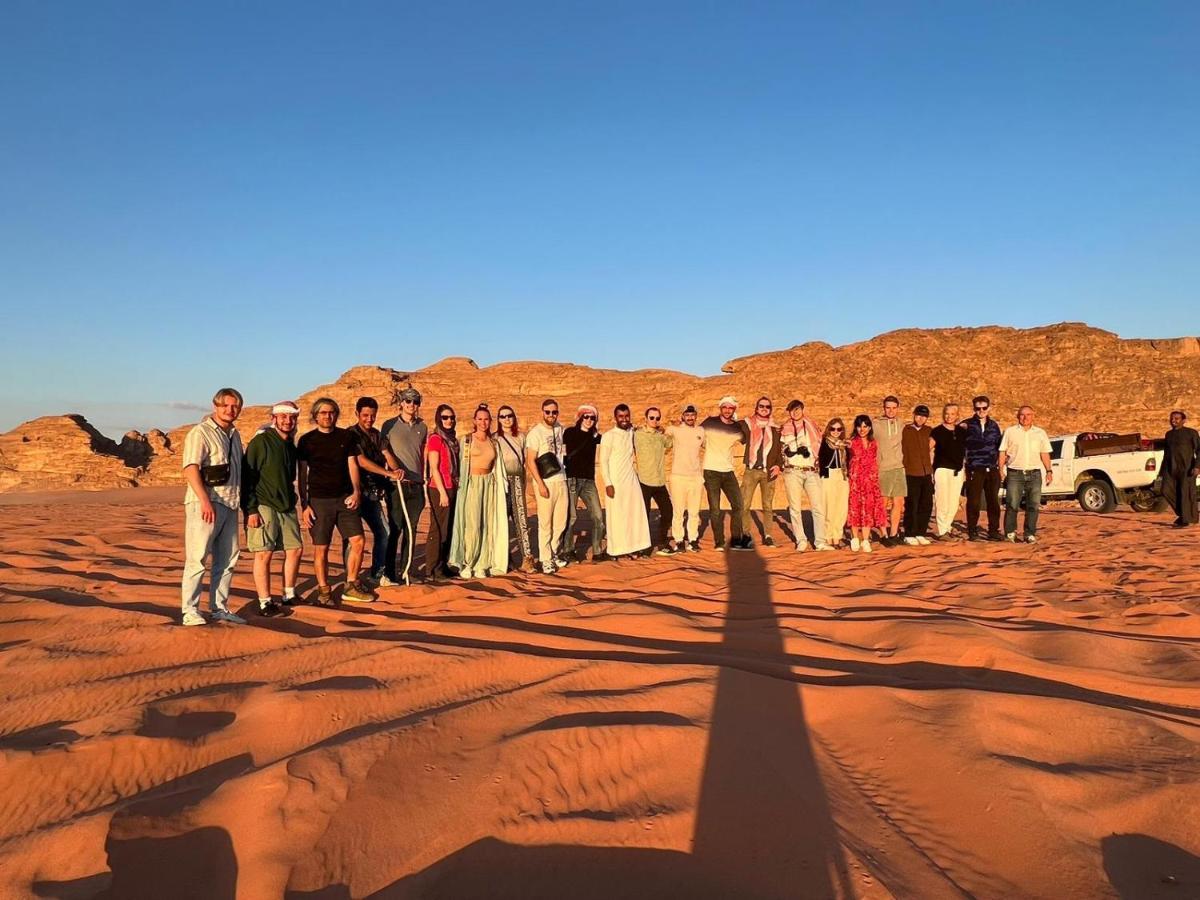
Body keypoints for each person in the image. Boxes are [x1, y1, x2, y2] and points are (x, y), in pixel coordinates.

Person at [298, 397, 375, 605]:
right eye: (323, 412)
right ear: (315, 416)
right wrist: (305, 506)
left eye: (331, 412)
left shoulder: (346, 436)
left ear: (336, 414)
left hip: (344, 498)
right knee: (321, 547)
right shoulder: (306, 440)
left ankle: (351, 584)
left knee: (358, 540)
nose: (327, 416)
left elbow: (353, 465)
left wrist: (357, 492)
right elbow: (302, 474)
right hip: (319, 501)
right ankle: (324, 591)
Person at [180, 388, 247, 626]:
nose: (230, 410)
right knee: (197, 558)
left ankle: (219, 607)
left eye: (235, 406)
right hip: (206, 504)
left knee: (228, 558)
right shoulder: (200, 433)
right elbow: (191, 468)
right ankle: (190, 610)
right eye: (226, 406)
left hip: (231, 502)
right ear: (215, 406)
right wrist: (204, 500)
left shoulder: (235, 435)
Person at [241, 400, 303, 617]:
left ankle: (288, 593)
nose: (288, 421)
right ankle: (265, 602)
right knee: (263, 553)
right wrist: (250, 510)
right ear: (274, 419)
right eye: (283, 416)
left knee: (295, 549)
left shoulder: (289, 445)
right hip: (263, 504)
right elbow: (247, 476)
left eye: (292, 417)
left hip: (286, 505)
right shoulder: (262, 442)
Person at [449, 406, 510, 578]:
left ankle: (482, 563)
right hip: (472, 485)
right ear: (474, 421)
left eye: (486, 419)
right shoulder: (467, 440)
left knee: (487, 524)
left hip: (489, 485)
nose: (483, 422)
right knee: (472, 524)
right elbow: (459, 464)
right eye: (480, 419)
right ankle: (468, 562)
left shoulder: (494, 443)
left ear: (490, 421)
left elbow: (498, 467)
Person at [350, 397, 404, 586]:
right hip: (354, 493)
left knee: (384, 532)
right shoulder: (351, 435)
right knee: (352, 537)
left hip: (373, 494)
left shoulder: (377, 435)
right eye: (365, 415)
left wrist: (396, 470)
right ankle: (351, 578)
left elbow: (387, 454)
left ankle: (377, 573)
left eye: (372, 416)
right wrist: (387, 472)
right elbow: (361, 461)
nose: (369, 419)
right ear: (357, 414)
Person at [381, 387, 427, 585]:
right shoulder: (389, 425)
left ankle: (407, 571)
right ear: (401, 403)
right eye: (408, 401)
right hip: (396, 484)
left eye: (415, 402)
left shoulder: (422, 427)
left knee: (412, 528)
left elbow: (422, 453)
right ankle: (388, 573)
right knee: (396, 528)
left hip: (416, 485)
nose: (411, 405)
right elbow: (383, 450)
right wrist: (395, 469)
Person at [600, 404, 652, 558]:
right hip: (615, 482)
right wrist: (608, 483)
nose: (624, 419)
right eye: (621, 416)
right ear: (615, 418)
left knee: (635, 513)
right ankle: (616, 549)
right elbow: (603, 461)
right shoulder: (609, 436)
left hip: (631, 480)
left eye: (626, 416)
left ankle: (635, 546)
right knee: (617, 515)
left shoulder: (631, 432)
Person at [526, 398, 570, 574]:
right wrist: (540, 484)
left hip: (561, 480)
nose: (551, 415)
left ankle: (552, 552)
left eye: (554, 412)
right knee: (545, 523)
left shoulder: (560, 429)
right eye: (548, 412)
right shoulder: (535, 433)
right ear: (542, 412)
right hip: (545, 482)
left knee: (561, 522)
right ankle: (545, 559)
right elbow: (530, 461)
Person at [701, 397, 752, 551]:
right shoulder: (709, 422)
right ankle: (719, 542)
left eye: (731, 408)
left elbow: (748, 438)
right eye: (725, 407)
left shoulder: (736, 428)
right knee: (715, 509)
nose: (728, 410)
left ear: (734, 410)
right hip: (711, 471)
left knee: (738, 505)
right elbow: (696, 435)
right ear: (720, 408)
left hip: (728, 471)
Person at [780, 399, 829, 551]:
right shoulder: (785, 428)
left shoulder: (812, 426)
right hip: (792, 470)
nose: (795, 412)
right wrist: (791, 451)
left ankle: (820, 541)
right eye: (792, 410)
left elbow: (820, 443)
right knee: (795, 507)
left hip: (811, 470)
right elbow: (782, 449)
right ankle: (801, 539)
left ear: (802, 409)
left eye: (797, 409)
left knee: (818, 507)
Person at [1000, 405, 1054, 543]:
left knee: (1033, 505)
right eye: (1022, 415)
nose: (1025, 418)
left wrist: (1049, 470)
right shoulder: (1010, 432)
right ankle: (1010, 532)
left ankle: (1029, 533)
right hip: (1015, 473)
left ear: (1033, 416)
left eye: (1028, 415)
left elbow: (1044, 453)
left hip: (1034, 473)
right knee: (1012, 504)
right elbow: (1002, 451)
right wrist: (1000, 470)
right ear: (1018, 416)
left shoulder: (1040, 433)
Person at [494, 405, 537, 572]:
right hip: (501, 483)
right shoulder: (494, 438)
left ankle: (527, 558)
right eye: (502, 416)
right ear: (498, 419)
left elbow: (526, 460)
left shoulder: (520, 437)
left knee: (521, 521)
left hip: (518, 481)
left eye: (509, 415)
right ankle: (504, 558)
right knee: (501, 522)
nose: (506, 419)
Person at [563, 405, 606, 562]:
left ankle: (597, 551)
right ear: (580, 417)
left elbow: (611, 442)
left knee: (598, 517)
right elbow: (562, 452)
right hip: (572, 479)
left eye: (592, 418)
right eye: (586, 417)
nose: (589, 420)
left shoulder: (595, 437)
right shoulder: (569, 433)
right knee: (571, 517)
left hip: (589, 481)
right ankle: (568, 550)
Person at [739, 397, 783, 546]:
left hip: (768, 471)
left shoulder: (776, 430)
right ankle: (745, 533)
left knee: (768, 506)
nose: (764, 408)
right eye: (761, 406)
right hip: (751, 470)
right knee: (744, 504)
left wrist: (779, 466)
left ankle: (768, 535)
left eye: (767, 407)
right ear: (756, 408)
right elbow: (731, 426)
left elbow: (779, 451)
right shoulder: (748, 425)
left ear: (770, 409)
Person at [425, 403, 461, 581]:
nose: (449, 420)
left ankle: (444, 565)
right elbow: (434, 468)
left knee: (449, 528)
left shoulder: (452, 439)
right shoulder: (436, 439)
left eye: (452, 417)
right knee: (438, 529)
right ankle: (432, 569)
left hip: (452, 486)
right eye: (445, 417)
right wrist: (442, 493)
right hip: (439, 488)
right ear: (439, 419)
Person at [634, 407, 676, 554]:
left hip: (659, 481)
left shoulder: (661, 436)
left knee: (668, 512)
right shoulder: (637, 434)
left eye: (657, 418)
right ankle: (643, 546)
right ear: (646, 418)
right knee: (643, 515)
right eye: (652, 418)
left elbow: (671, 443)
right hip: (644, 481)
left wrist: (669, 430)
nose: (655, 421)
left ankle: (662, 542)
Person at [963, 395, 1004, 541]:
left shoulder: (994, 426)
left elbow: (1001, 447)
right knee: (973, 501)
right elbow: (959, 446)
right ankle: (972, 530)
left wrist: (1001, 468)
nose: (981, 411)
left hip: (992, 468)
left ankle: (993, 530)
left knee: (993, 501)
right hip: (974, 468)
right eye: (977, 408)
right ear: (974, 408)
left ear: (989, 408)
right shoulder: (966, 425)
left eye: (984, 408)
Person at [667, 404, 705, 552]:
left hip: (695, 477)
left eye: (692, 414)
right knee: (678, 511)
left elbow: (710, 445)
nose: (690, 417)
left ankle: (693, 539)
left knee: (694, 512)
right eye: (687, 415)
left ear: (696, 416)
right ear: (682, 416)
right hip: (678, 477)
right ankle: (679, 540)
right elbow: (660, 433)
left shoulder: (701, 431)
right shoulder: (674, 430)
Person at [847, 414, 887, 553]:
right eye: (859, 426)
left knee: (868, 509)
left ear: (869, 427)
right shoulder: (851, 442)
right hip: (855, 481)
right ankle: (854, 537)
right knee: (854, 508)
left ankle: (865, 539)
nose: (862, 429)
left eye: (865, 426)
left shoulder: (873, 443)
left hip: (870, 481)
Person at [929, 403, 967, 540]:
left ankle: (948, 526)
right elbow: (928, 448)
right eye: (946, 413)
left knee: (953, 502)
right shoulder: (937, 431)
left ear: (957, 415)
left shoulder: (962, 431)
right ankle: (942, 531)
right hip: (942, 469)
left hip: (957, 470)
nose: (949, 416)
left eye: (952, 414)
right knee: (942, 500)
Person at [901, 405, 934, 546]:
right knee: (912, 504)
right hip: (911, 472)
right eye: (918, 415)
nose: (921, 418)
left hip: (926, 472)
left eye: (924, 416)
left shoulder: (929, 431)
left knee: (926, 504)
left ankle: (921, 532)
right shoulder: (906, 430)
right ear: (914, 415)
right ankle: (909, 533)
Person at [877, 396, 907, 545]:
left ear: (898, 408)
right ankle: (883, 534)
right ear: (884, 408)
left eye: (894, 407)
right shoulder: (876, 425)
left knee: (898, 502)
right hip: (883, 468)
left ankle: (894, 533)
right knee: (883, 503)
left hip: (899, 468)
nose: (891, 410)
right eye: (888, 407)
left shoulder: (902, 424)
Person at [1162, 410, 1200, 527]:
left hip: (1187, 468)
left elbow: (1199, 450)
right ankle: (1184, 514)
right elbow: (1166, 453)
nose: (1173, 421)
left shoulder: (1191, 433)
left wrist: (1197, 466)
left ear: (1183, 420)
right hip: (1171, 468)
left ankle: (1186, 519)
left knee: (1186, 493)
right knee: (1165, 490)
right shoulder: (1168, 434)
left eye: (1177, 418)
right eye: (1172, 418)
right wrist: (1162, 471)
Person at [818, 418, 851, 548]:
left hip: (842, 476)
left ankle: (837, 536)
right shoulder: (824, 442)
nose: (835, 432)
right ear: (828, 429)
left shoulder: (844, 445)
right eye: (833, 429)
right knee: (828, 507)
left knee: (841, 508)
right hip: (828, 476)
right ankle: (827, 536)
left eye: (839, 429)